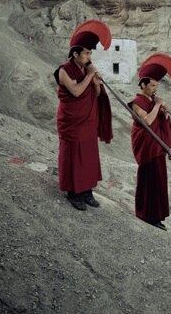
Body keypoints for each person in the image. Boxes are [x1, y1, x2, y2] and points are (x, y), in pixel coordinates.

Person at [55, 19, 112, 211]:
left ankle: (87, 190)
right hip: (72, 120)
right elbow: (76, 92)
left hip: (88, 119)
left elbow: (94, 95)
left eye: (90, 53)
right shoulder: (64, 70)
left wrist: (96, 81)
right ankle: (73, 192)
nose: (89, 57)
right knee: (73, 154)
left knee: (88, 154)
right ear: (76, 53)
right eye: (86, 53)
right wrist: (89, 75)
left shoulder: (85, 68)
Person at [129, 53, 171, 231]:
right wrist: (157, 105)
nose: (154, 89)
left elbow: (160, 120)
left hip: (157, 147)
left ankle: (156, 216)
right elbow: (147, 122)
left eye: (156, 85)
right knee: (148, 180)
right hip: (146, 147)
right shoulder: (137, 102)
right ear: (143, 84)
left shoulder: (151, 100)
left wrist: (165, 112)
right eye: (152, 85)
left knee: (159, 181)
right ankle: (145, 214)